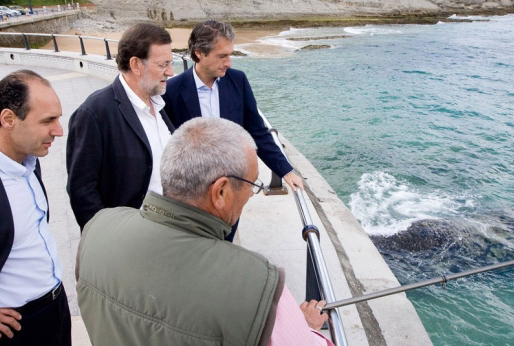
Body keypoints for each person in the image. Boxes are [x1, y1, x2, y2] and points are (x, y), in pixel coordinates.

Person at [76, 117, 334, 346]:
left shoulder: (98, 228)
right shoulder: (255, 284)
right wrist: (305, 328)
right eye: (251, 184)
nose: (251, 194)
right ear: (221, 191)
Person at [0, 70, 70, 346]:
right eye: (48, 121)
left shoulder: (30, 159)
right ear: (8, 119)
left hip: (55, 311)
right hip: (9, 331)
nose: (59, 130)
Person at [162, 20, 304, 241]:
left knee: (225, 241)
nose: (228, 62)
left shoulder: (238, 81)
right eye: (222, 56)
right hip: (192, 192)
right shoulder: (171, 91)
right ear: (199, 53)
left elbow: (257, 131)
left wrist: (286, 171)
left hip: (231, 189)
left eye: (230, 55)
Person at [66, 23, 176, 229]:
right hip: (128, 239)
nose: (170, 72)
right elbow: (82, 191)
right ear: (136, 65)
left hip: (167, 233)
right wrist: (109, 239)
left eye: (171, 63)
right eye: (163, 64)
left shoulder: (161, 102)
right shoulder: (94, 113)